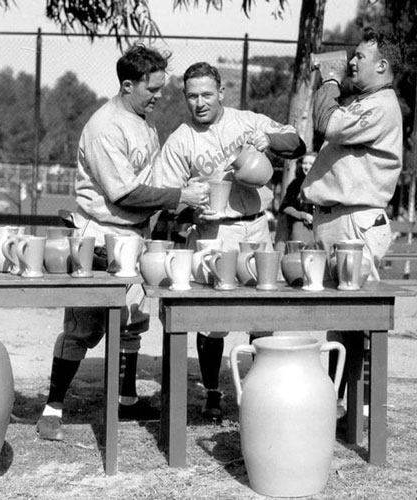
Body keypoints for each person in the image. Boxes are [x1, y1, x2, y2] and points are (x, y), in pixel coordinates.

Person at [36, 44, 209, 441]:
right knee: (82, 326)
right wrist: (180, 197)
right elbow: (124, 195)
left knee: (132, 319)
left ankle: (127, 400)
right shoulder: (105, 125)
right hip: (98, 233)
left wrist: (182, 195)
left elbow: (149, 183)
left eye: (162, 88)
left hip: (133, 235)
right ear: (128, 85)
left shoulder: (142, 118)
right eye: (153, 90)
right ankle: (53, 407)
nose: (160, 96)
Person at [159, 62, 306, 422]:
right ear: (185, 98)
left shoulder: (246, 121)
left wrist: (268, 140)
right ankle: (212, 393)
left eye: (207, 94)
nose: (200, 103)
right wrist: (191, 213)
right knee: (212, 319)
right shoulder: (181, 139)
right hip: (213, 232)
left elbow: (298, 144)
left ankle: (259, 391)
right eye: (192, 96)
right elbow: (166, 199)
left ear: (221, 92)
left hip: (255, 226)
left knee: (262, 313)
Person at [301, 27, 403, 416]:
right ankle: (337, 404)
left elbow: (329, 123)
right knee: (339, 319)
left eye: (361, 56)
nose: (353, 61)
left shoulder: (380, 104)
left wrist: (329, 78)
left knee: (360, 319)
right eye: (353, 55)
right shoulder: (366, 101)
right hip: (336, 219)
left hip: (356, 222)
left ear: (382, 65)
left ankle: (363, 410)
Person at [278, 152, 316, 245]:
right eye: (304, 163)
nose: (306, 167)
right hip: (300, 227)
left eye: (311, 164)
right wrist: (303, 215)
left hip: (320, 228)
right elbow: (285, 207)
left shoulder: (323, 183)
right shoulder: (295, 184)